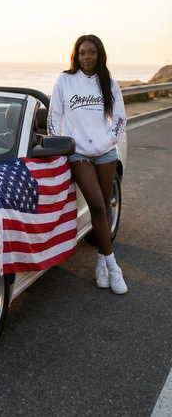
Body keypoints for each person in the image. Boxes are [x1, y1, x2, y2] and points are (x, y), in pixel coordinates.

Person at [48, 34, 127, 294]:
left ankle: (101, 264)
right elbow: (53, 118)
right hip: (78, 152)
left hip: (105, 152)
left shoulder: (109, 83)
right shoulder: (65, 81)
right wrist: (62, 145)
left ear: (99, 54)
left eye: (91, 52)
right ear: (76, 55)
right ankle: (114, 266)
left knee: (104, 207)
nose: (86, 57)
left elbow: (120, 119)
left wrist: (106, 141)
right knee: (95, 203)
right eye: (82, 53)